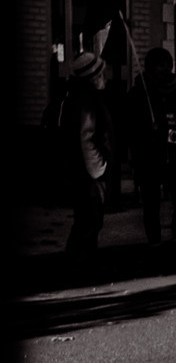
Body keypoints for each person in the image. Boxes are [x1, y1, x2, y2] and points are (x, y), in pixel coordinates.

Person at [61, 50, 116, 271]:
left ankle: (81, 261)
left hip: (80, 172)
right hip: (88, 173)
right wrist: (98, 170)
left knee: (86, 219)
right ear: (94, 76)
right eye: (102, 72)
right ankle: (79, 264)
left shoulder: (76, 97)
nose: (106, 76)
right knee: (91, 219)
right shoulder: (87, 100)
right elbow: (87, 137)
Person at [132, 47, 176, 251]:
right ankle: (154, 239)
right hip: (150, 154)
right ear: (150, 67)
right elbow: (131, 124)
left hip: (175, 151)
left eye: (167, 64)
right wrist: (149, 128)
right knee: (151, 200)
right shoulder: (142, 90)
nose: (164, 69)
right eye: (159, 65)